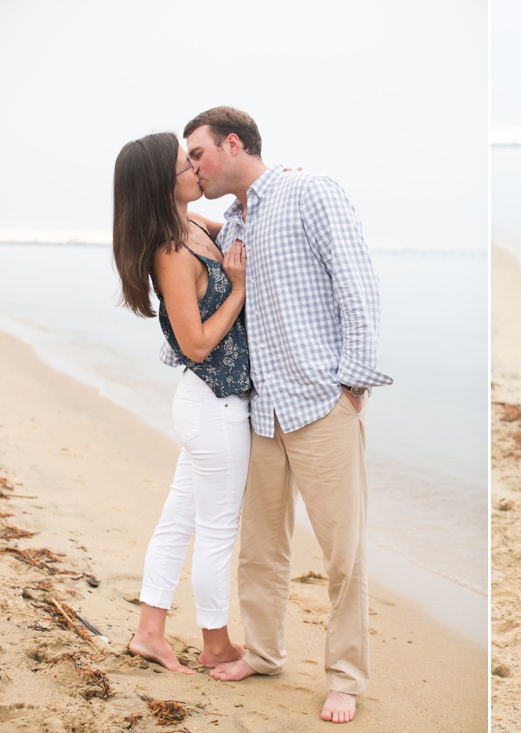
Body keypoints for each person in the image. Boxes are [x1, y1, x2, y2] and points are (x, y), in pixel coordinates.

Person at [179, 106, 392, 725]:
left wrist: (353, 381)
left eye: (198, 153)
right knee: (261, 548)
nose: (193, 166)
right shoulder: (233, 222)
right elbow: (181, 229)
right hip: (263, 411)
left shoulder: (309, 190)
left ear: (234, 143)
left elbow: (359, 285)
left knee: (342, 553)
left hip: (322, 403)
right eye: (187, 160)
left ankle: (346, 677)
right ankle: (267, 652)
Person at [112, 132, 251, 675]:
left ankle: (150, 632)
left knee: (177, 522)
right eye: (184, 165)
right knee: (216, 531)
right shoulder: (170, 253)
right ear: (161, 186)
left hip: (206, 407)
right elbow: (193, 344)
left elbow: (242, 227)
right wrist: (236, 291)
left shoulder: (191, 227)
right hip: (214, 406)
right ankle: (215, 644)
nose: (196, 168)